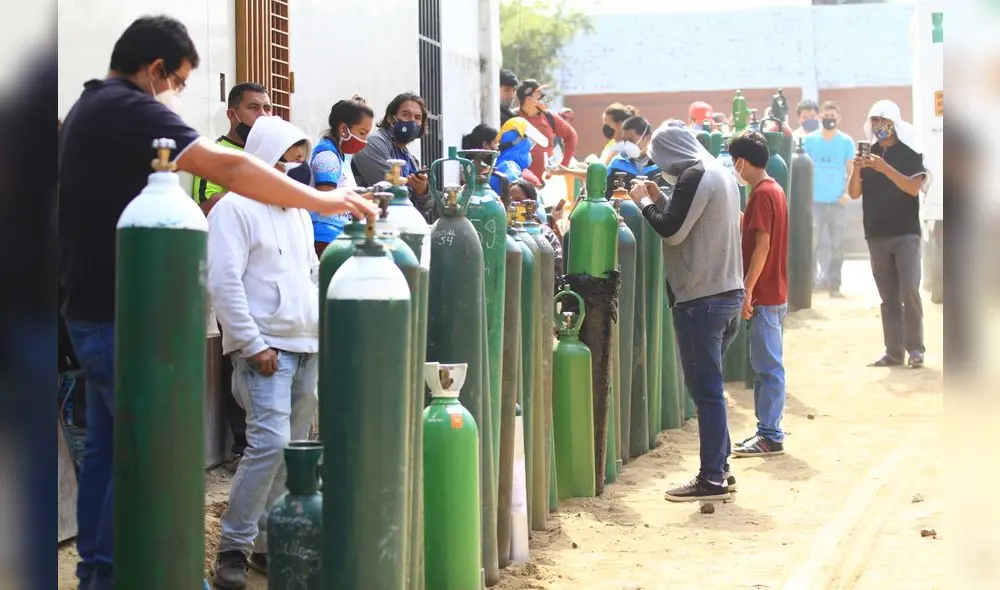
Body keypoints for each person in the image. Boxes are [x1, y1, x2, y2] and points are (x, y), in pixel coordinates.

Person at [58, 16, 372, 590]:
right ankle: (174, 572)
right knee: (158, 455)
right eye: (177, 80)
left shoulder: (86, 108)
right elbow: (227, 167)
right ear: (154, 69)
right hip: (125, 317)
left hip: (94, 310)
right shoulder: (130, 107)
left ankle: (100, 576)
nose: (176, 93)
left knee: (109, 453)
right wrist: (325, 200)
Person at [207, 115, 321, 588]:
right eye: (286, 160)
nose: (294, 169)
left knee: (290, 451)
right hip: (266, 351)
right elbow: (223, 281)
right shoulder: (233, 209)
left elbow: (311, 273)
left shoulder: (295, 210)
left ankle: (267, 545)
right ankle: (232, 546)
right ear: (263, 159)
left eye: (298, 160)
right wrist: (252, 344)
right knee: (269, 445)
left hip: (305, 347)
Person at [628, 124, 743, 502]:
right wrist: (662, 197)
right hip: (727, 295)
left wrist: (642, 203)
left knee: (706, 393)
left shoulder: (694, 174)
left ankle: (710, 477)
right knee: (712, 389)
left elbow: (673, 231)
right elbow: (695, 221)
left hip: (700, 301)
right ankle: (721, 469)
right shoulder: (718, 171)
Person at [848, 99, 928, 369]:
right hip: (877, 235)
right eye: (875, 122)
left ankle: (916, 349)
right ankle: (893, 352)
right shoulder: (867, 155)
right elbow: (854, 193)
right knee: (888, 297)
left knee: (909, 291)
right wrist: (857, 168)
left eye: (884, 122)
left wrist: (884, 168)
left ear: (895, 124)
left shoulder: (910, 153)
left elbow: (913, 188)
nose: (880, 127)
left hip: (906, 234)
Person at [727, 132, 789, 458]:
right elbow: (754, 229)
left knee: (768, 367)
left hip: (765, 294)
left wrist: (748, 290)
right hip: (774, 292)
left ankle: (770, 434)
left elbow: (762, 246)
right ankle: (766, 430)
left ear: (741, 161)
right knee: (766, 365)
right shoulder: (771, 190)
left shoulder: (762, 194)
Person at [352, 92, 435, 222]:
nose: (412, 121)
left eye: (418, 117)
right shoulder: (373, 143)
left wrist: (422, 189)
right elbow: (392, 191)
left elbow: (426, 207)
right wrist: (413, 191)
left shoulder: (410, 159)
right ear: (391, 119)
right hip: (370, 226)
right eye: (406, 115)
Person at [192, 82, 272, 213]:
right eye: (253, 107)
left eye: (267, 108)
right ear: (231, 115)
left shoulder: (275, 152)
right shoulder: (214, 153)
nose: (262, 114)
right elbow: (207, 205)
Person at [310, 96, 375, 255]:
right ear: (343, 129)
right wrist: (368, 198)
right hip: (324, 238)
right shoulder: (327, 157)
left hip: (338, 235)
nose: (364, 141)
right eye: (362, 133)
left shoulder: (342, 157)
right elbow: (327, 203)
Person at [803, 101, 855, 297]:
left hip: (837, 202)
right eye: (826, 115)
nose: (829, 118)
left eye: (833, 116)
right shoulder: (810, 141)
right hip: (814, 202)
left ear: (838, 118)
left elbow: (851, 170)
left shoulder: (846, 142)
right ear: (820, 116)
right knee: (812, 244)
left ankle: (834, 285)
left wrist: (846, 194)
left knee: (837, 245)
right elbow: (803, 171)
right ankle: (811, 284)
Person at [515, 79, 578, 182]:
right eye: (539, 95)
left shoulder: (549, 117)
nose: (544, 98)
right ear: (528, 99)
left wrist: (563, 165)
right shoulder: (512, 118)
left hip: (548, 184)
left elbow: (571, 135)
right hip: (521, 184)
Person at [605, 115, 662, 198]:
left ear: (647, 137)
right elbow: (607, 197)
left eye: (631, 140)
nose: (628, 145)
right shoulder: (616, 164)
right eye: (625, 141)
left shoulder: (661, 165)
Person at [490, 116, 547, 195]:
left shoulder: (503, 164)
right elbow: (515, 186)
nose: (529, 152)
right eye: (528, 147)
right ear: (521, 146)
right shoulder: (509, 166)